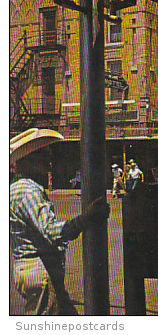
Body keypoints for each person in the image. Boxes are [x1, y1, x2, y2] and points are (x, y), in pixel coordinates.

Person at [9, 128, 110, 315]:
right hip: (41, 270)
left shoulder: (17, 188)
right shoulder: (28, 191)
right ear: (28, 160)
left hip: (35, 269)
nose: (49, 159)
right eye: (43, 155)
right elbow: (51, 231)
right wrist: (85, 219)